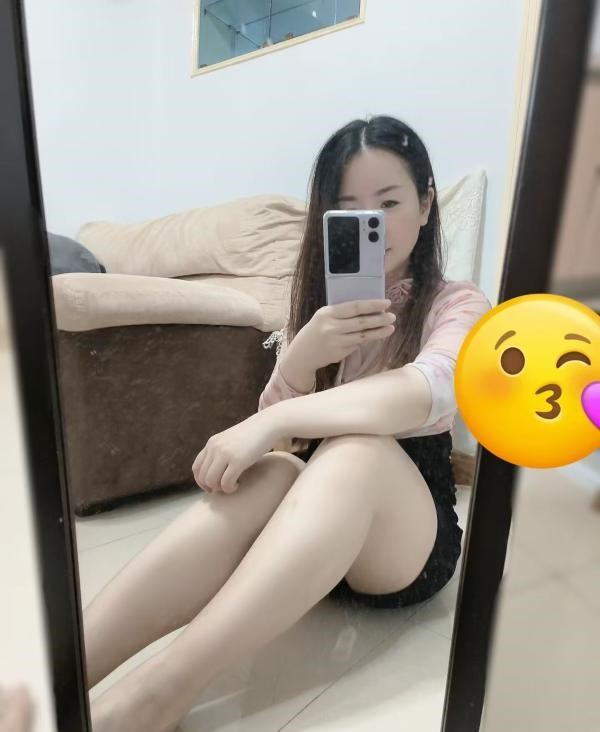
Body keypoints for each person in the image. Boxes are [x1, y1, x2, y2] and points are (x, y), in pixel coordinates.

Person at [86, 116, 491, 732]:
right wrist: (302, 356)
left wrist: (285, 412)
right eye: (347, 210)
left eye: (388, 204)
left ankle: (157, 695)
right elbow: (280, 440)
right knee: (278, 468)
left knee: (356, 451)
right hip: (313, 537)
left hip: (406, 543)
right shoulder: (319, 311)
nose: (371, 224)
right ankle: (61, 668)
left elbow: (428, 390)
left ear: (427, 203)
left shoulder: (456, 302)